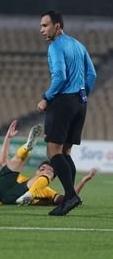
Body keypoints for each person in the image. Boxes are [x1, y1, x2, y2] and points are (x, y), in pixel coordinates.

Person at [37, 11, 97, 216]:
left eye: (45, 26)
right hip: (80, 102)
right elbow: (92, 74)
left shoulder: (55, 47)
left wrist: (46, 97)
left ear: (58, 26)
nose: (42, 30)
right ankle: (69, 198)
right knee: (65, 151)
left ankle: (70, 196)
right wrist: (82, 95)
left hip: (62, 101)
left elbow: (60, 75)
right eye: (41, 26)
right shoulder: (79, 45)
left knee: (53, 151)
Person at [0, 120, 96, 206]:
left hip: (12, 198)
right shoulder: (21, 179)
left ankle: (29, 195)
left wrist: (83, 181)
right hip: (0, 188)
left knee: (31, 166)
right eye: (42, 169)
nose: (45, 171)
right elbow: (3, 162)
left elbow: (68, 199)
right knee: (20, 159)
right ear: (36, 171)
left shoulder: (47, 192)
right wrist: (8, 138)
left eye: (49, 170)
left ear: (53, 179)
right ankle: (27, 147)